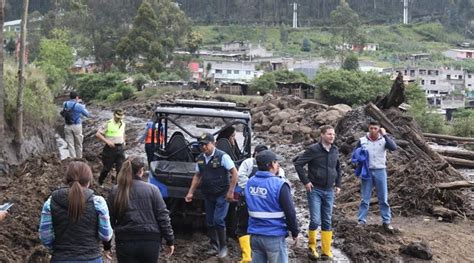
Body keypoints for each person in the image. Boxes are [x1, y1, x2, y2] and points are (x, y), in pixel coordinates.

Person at [39, 161, 113, 262]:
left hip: (61, 258)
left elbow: (45, 237)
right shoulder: (98, 202)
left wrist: (57, 249)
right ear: (89, 180)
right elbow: (106, 235)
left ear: (66, 179)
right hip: (91, 258)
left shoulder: (51, 202)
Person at [105, 157, 175, 262]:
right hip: (150, 241)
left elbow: (109, 220)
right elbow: (163, 217)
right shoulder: (153, 190)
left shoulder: (116, 191)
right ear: (141, 171)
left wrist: (107, 245)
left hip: (125, 242)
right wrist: (170, 240)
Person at [185, 132, 238, 258]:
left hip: (222, 193)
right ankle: (214, 245)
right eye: (201, 145)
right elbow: (198, 175)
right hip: (208, 194)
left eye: (206, 144)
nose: (203, 147)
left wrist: (231, 191)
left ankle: (223, 247)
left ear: (214, 143)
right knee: (209, 221)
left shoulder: (222, 156)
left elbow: (234, 173)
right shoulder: (201, 158)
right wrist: (191, 192)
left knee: (218, 220)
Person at [294, 125, 342, 260]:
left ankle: (326, 251)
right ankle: (312, 247)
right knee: (315, 220)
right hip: (315, 189)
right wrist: (306, 182)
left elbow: (338, 168)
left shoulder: (335, 150)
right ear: (322, 135)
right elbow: (298, 164)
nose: (332, 136)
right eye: (329, 134)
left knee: (327, 221)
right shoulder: (313, 149)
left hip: (329, 190)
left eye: (333, 134)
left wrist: (338, 184)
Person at [245, 150, 299, 263]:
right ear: (271, 164)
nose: (278, 164)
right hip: (274, 236)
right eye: (276, 162)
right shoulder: (280, 184)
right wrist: (294, 232)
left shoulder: (250, 182)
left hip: (255, 236)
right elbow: (290, 212)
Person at [235, 144, 286, 262]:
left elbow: (280, 181)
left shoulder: (278, 170)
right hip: (247, 200)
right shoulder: (248, 163)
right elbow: (241, 176)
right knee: (243, 225)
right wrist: (250, 191)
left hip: (264, 204)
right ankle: (247, 256)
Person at [356, 120, 397, 231]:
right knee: (365, 198)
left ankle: (386, 222)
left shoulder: (384, 140)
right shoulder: (362, 140)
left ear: (379, 129)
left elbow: (394, 147)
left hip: (380, 170)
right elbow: (356, 154)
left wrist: (385, 134)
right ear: (368, 129)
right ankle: (361, 221)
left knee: (383, 198)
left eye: (376, 128)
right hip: (367, 171)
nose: (373, 130)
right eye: (371, 128)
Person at [96, 109, 126, 185]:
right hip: (110, 149)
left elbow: (123, 133)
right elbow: (98, 134)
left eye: (121, 117)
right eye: (118, 117)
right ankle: (100, 182)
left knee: (120, 169)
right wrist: (107, 141)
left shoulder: (123, 123)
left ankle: (118, 186)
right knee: (107, 168)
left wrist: (124, 142)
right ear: (114, 115)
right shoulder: (108, 123)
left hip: (120, 148)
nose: (119, 119)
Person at [62, 91, 90, 158]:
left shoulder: (65, 104)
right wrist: (81, 105)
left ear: (70, 96)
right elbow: (87, 114)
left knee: (70, 144)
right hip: (77, 126)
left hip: (67, 125)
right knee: (78, 144)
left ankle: (72, 158)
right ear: (77, 97)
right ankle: (79, 158)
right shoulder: (79, 106)